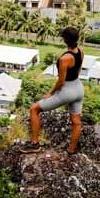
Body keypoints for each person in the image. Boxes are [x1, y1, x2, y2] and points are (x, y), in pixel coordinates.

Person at [23, 26, 84, 155]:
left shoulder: (64, 59)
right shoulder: (80, 52)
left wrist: (50, 93)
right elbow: (78, 71)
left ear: (65, 39)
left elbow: (61, 81)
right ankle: (72, 150)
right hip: (78, 88)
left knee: (34, 109)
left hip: (67, 90)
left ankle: (34, 144)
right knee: (76, 122)